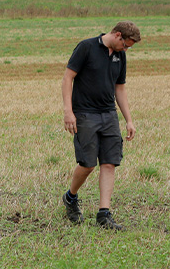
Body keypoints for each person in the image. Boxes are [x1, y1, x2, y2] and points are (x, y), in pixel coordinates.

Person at [61, 21, 141, 230]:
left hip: (109, 114)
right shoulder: (86, 47)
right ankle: (71, 197)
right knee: (88, 164)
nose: (127, 50)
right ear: (117, 35)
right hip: (85, 114)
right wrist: (68, 111)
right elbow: (68, 77)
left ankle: (104, 215)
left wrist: (129, 120)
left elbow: (120, 88)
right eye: (126, 45)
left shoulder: (120, 55)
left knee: (109, 162)